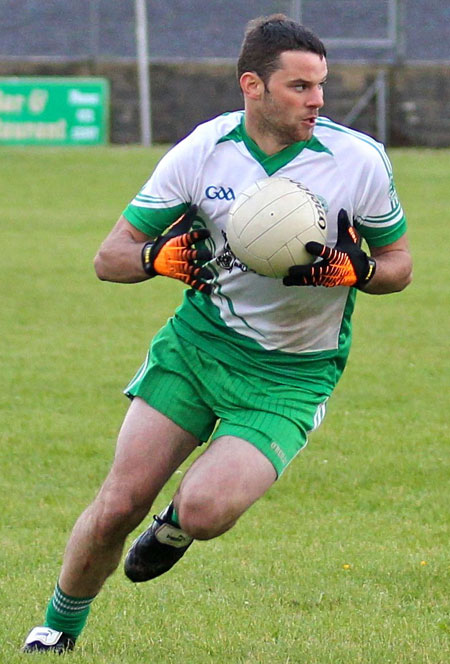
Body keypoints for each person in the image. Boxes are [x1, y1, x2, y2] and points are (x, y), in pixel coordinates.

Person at [23, 14, 412, 653]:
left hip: (291, 374)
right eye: (300, 87)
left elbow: (400, 267)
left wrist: (360, 268)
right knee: (119, 504)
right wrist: (157, 259)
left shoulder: (357, 162)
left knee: (205, 510)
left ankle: (174, 529)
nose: (318, 99)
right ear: (251, 85)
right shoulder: (205, 151)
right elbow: (109, 257)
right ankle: (56, 631)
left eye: (321, 86)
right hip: (199, 348)